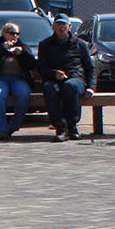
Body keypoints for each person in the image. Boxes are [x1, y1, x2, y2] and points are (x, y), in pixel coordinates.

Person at [36, 13, 94, 141]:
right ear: (53, 27)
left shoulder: (80, 44)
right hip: (54, 79)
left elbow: (90, 68)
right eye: (58, 24)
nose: (61, 27)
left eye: (64, 24)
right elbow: (41, 68)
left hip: (75, 79)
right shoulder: (45, 45)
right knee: (49, 88)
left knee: (70, 86)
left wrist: (91, 87)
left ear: (70, 26)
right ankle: (60, 128)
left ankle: (72, 128)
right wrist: (53, 73)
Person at [0, 22, 37, 138]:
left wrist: (22, 53)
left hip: (17, 79)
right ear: (4, 33)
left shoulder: (23, 46)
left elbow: (32, 64)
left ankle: (13, 126)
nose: (15, 36)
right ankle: (1, 129)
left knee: (24, 93)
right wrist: (2, 49)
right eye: (12, 33)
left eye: (17, 34)